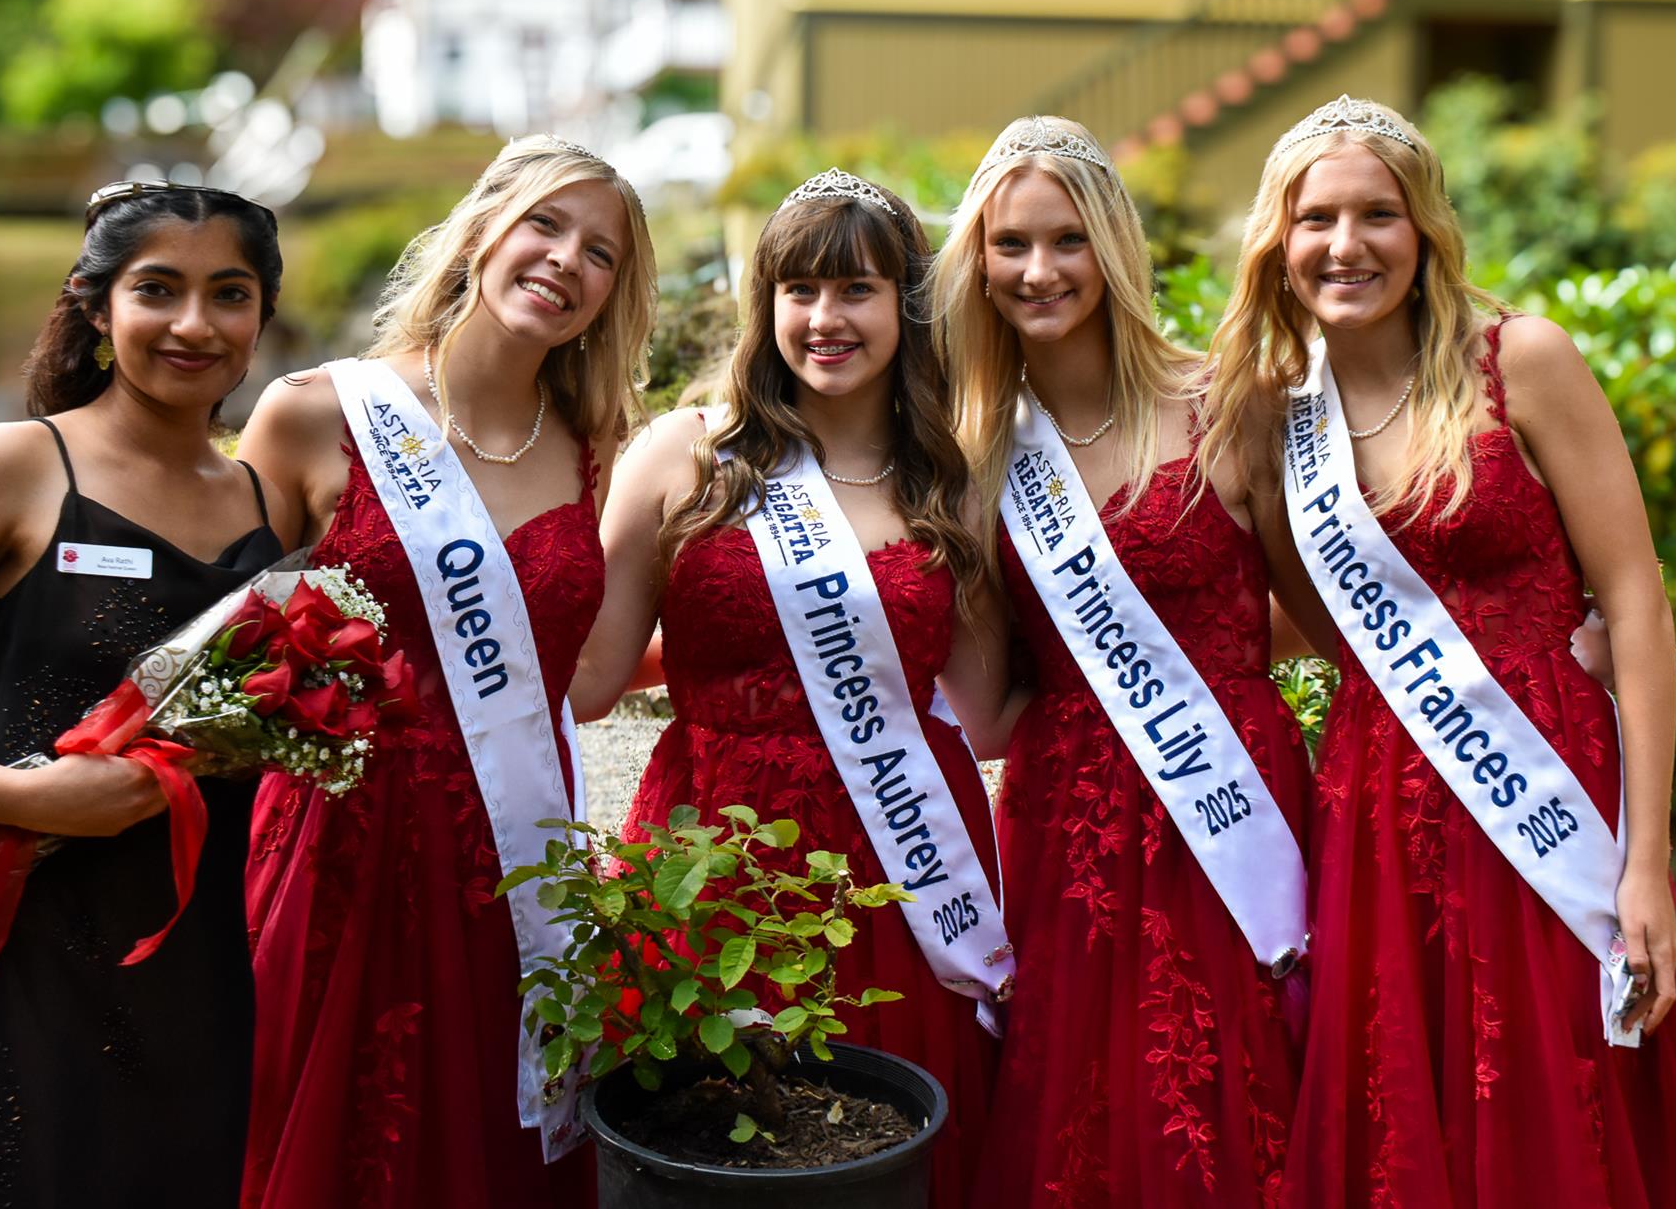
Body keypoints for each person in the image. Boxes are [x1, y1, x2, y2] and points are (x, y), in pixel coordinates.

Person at [1199, 95, 1676, 1207]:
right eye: (1315, 219)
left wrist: (1646, 864)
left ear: (1425, 229)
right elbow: (1318, 621)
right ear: (1279, 241)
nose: (1345, 245)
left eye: (1378, 214)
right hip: (1377, 811)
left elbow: (1635, 600)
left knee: (1561, 1106)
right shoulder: (1272, 417)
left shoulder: (1521, 361)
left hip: (1549, 789)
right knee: (1411, 1127)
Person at [0, 182, 284, 1208]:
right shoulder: (15, 466)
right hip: (24, 978)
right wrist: (21, 795)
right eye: (156, 289)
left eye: (229, 293)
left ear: (263, 316)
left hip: (223, 987)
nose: (195, 323)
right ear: (95, 304)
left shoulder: (275, 503)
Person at [570, 168, 1013, 1209]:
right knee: (704, 1137)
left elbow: (991, 712)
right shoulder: (684, 454)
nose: (824, 318)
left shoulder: (952, 480)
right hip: (709, 851)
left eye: (857, 289)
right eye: (799, 289)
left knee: (883, 1142)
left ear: (905, 305)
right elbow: (588, 676)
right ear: (765, 302)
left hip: (895, 867)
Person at [234, 135, 655, 1208]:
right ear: (481, 231)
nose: (565, 260)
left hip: (509, 867)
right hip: (340, 846)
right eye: (544, 224)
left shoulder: (597, 445)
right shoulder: (318, 413)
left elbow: (585, 676)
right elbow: (221, 627)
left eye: (600, 253)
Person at [932, 116, 1315, 1206]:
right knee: (1086, 1116)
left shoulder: (1228, 404)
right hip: (1071, 824)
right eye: (1011, 244)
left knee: (1242, 1093)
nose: (1040, 270)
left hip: (1231, 796)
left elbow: (1324, 609)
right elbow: (987, 708)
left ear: (1113, 248)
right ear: (979, 263)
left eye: (1069, 240)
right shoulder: (972, 454)